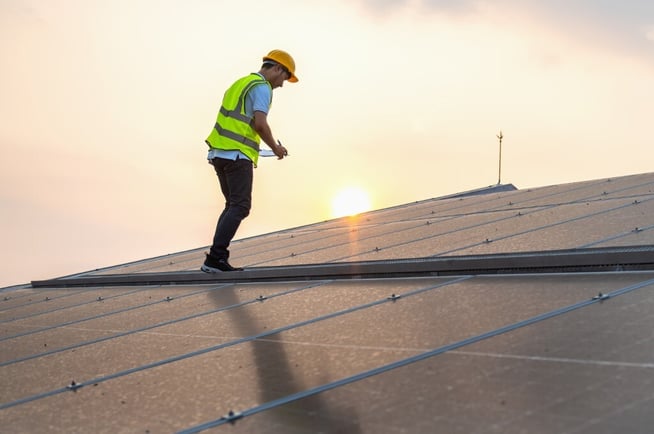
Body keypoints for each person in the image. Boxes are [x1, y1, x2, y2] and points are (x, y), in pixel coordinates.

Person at [201, 49, 298, 273]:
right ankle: (215, 259)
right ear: (277, 69)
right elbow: (260, 124)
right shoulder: (262, 87)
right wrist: (276, 147)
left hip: (219, 153)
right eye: (285, 77)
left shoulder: (241, 83)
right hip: (237, 156)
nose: (283, 84)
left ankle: (216, 259)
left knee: (232, 206)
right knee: (241, 206)